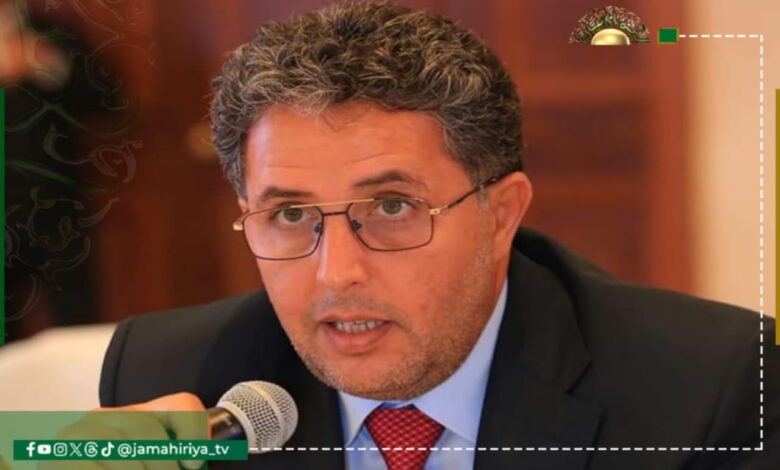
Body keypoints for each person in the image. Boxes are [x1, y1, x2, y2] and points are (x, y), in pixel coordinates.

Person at [96, 2, 778, 469]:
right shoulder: (174, 379)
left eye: (392, 207)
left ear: (500, 214)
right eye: (292, 215)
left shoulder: (712, 387)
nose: (336, 273)